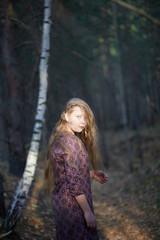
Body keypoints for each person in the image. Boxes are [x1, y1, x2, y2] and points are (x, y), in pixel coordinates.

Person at [44, 98, 108, 240]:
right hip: (74, 209)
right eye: (78, 116)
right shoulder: (71, 141)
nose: (83, 122)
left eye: (85, 118)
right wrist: (87, 212)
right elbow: (74, 184)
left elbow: (66, 173)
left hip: (63, 207)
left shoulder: (60, 137)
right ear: (66, 116)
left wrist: (90, 174)